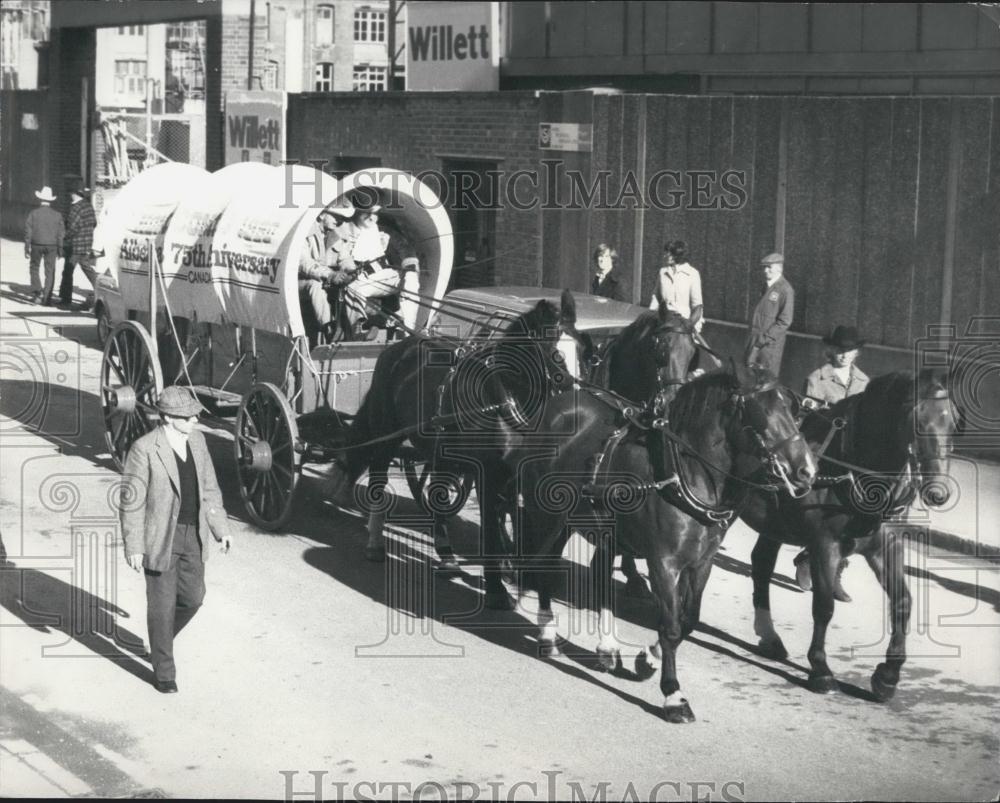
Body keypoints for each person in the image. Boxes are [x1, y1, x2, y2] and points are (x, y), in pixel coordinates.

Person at [120, 385, 233, 694]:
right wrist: (134, 546)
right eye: (188, 416)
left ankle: (160, 641)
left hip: (192, 535)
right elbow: (131, 502)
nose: (195, 419)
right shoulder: (144, 449)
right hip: (160, 538)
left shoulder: (198, 442)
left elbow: (210, 490)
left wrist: (221, 529)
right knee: (161, 605)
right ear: (168, 418)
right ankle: (164, 671)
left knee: (193, 598)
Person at [794, 325, 871, 602]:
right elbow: (806, 421)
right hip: (824, 453)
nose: (843, 355)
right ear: (830, 350)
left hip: (853, 457)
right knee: (823, 514)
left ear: (856, 352)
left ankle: (835, 573)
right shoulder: (816, 378)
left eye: (849, 350)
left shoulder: (864, 381)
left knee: (859, 517)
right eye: (839, 349)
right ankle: (808, 557)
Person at [340, 193, 420, 340]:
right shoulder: (344, 231)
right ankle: (357, 331)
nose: (372, 218)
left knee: (411, 280)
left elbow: (405, 249)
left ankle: (408, 331)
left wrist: (409, 270)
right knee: (354, 288)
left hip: (385, 276)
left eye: (376, 214)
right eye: (367, 213)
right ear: (357, 212)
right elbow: (340, 258)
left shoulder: (382, 231)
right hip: (360, 279)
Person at [298, 202, 355, 347]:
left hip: (327, 281)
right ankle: (329, 328)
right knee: (315, 286)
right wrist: (330, 275)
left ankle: (355, 328)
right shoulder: (304, 233)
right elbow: (305, 263)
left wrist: (350, 271)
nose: (339, 220)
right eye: (336, 216)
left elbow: (345, 259)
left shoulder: (336, 235)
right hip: (300, 283)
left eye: (341, 218)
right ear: (322, 214)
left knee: (354, 285)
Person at [745, 252, 794, 377]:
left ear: (779, 268)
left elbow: (784, 321)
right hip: (755, 341)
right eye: (764, 267)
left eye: (769, 267)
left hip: (769, 346)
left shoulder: (785, 290)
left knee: (765, 380)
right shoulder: (766, 286)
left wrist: (764, 339)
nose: (765, 270)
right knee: (749, 377)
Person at [649, 240, 703, 331]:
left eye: (669, 253)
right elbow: (656, 298)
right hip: (663, 322)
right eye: (666, 252)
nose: (665, 256)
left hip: (683, 325)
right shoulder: (662, 272)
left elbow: (697, 306)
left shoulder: (693, 274)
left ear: (678, 255)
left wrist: (689, 326)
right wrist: (650, 316)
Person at [24, 185, 65, 306]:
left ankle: (37, 293)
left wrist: (27, 246)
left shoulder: (33, 213)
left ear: (40, 199)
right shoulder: (57, 215)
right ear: (50, 201)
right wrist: (60, 249)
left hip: (36, 244)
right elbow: (61, 234)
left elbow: (28, 231)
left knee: (34, 267)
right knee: (50, 271)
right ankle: (47, 298)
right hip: (52, 245)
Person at [58, 187, 98, 309]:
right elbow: (94, 223)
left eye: (70, 193)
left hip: (75, 245)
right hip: (87, 243)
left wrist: (64, 238)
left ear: (74, 194)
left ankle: (65, 298)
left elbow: (72, 228)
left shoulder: (75, 208)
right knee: (87, 268)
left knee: (68, 270)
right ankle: (100, 289)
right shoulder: (88, 206)